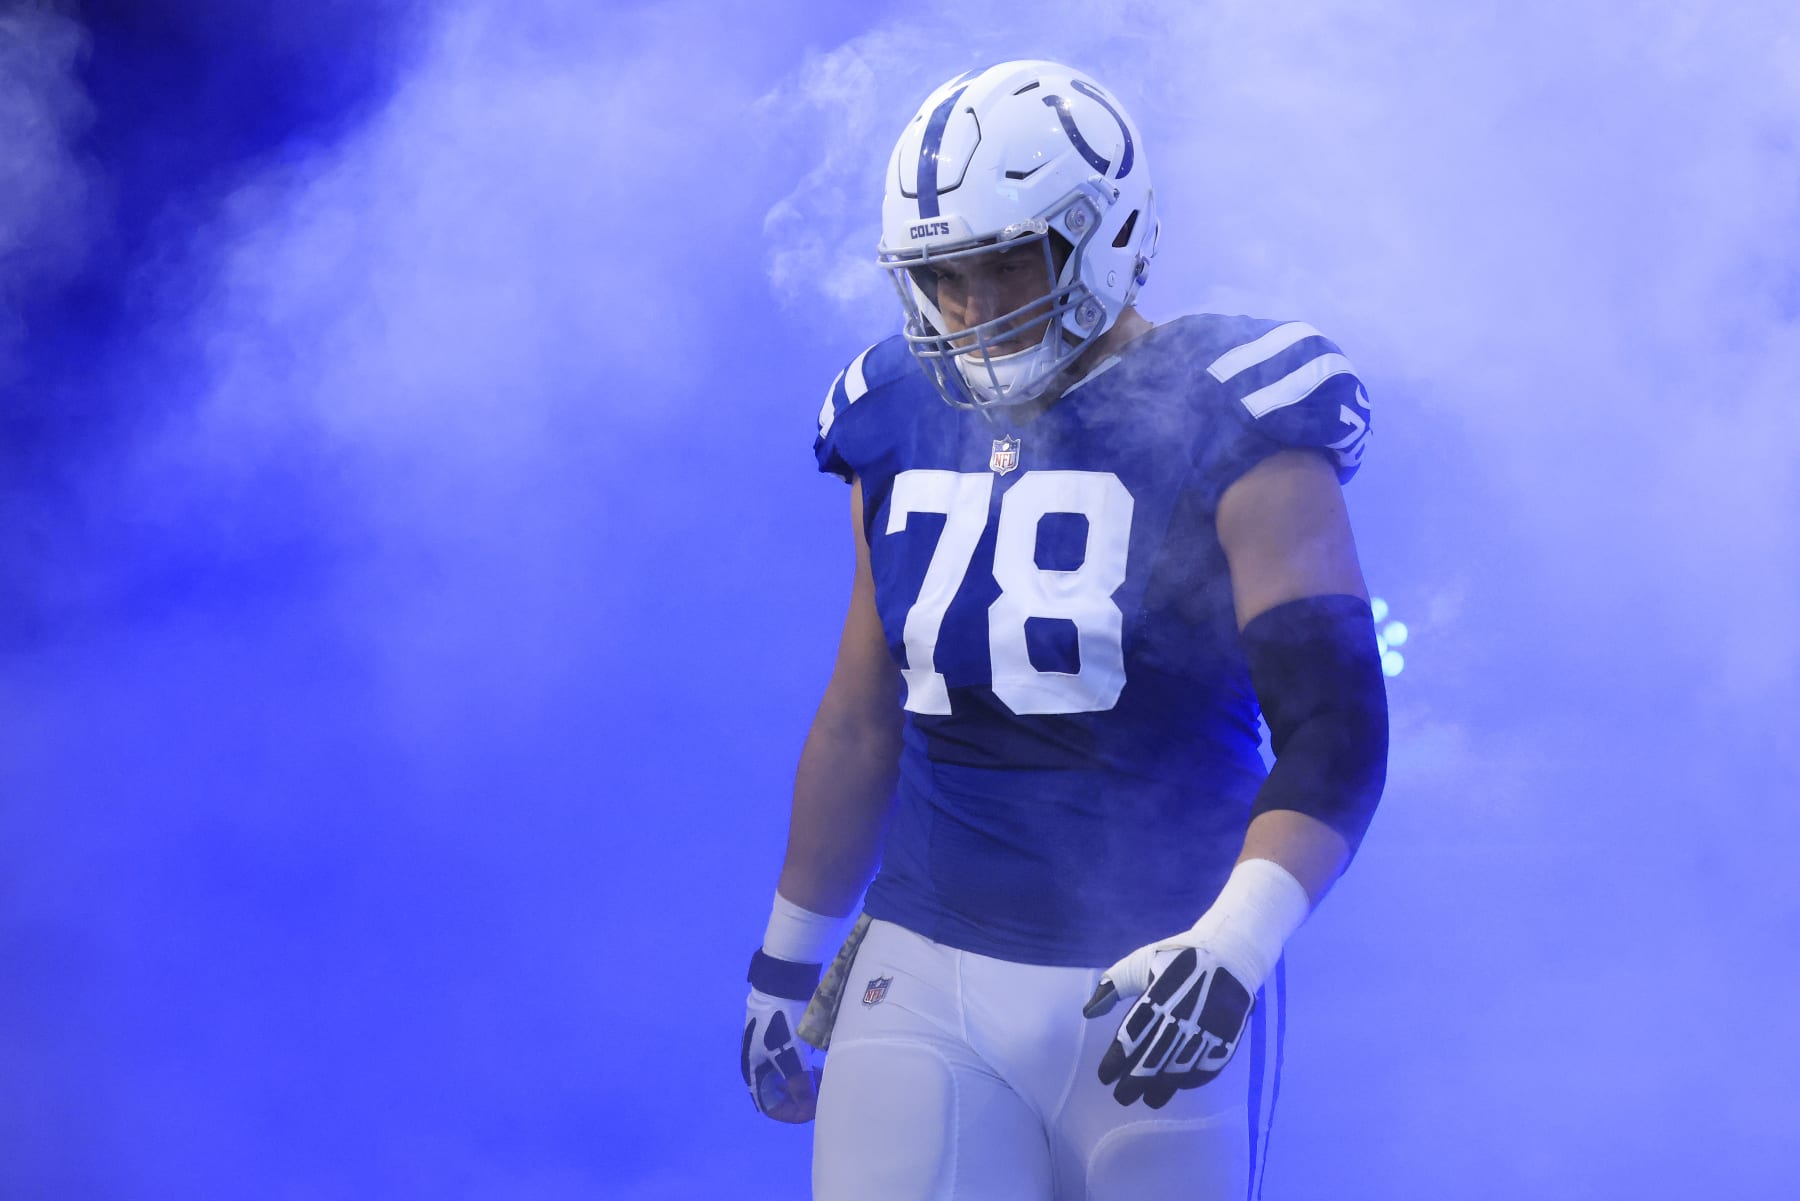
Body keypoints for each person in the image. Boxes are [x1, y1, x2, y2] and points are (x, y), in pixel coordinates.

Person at [742, 59, 1388, 1200]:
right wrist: (783, 959)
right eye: (944, 274)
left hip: (1158, 978)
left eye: (1003, 262)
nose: (974, 308)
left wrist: (1236, 939)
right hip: (927, 961)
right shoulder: (895, 413)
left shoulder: (1232, 409)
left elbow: (1335, 726)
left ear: (1106, 233)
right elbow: (860, 717)